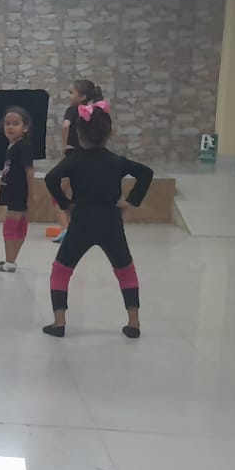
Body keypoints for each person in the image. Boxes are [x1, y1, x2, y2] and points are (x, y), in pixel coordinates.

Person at [43, 101, 153, 339]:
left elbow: (51, 178)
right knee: (124, 269)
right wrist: (131, 201)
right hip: (111, 220)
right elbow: (146, 173)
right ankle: (133, 323)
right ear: (109, 133)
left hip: (82, 219)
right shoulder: (117, 161)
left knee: (61, 269)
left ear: (79, 134)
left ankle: (59, 322)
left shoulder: (74, 160)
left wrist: (65, 204)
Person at [54, 80, 104, 246]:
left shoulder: (73, 110)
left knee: (59, 193)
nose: (69, 96)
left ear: (82, 96)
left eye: (71, 93)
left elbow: (65, 126)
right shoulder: (93, 111)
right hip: (90, 156)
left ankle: (66, 229)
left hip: (73, 156)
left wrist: (64, 146)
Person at [0, 106, 37, 273]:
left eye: (16, 124)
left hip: (19, 192)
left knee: (11, 225)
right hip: (13, 191)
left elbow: (29, 171)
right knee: (16, 225)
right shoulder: (13, 146)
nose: (10, 127)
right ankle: (10, 259)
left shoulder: (23, 147)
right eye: (7, 123)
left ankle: (10, 262)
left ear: (25, 128)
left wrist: (31, 195)